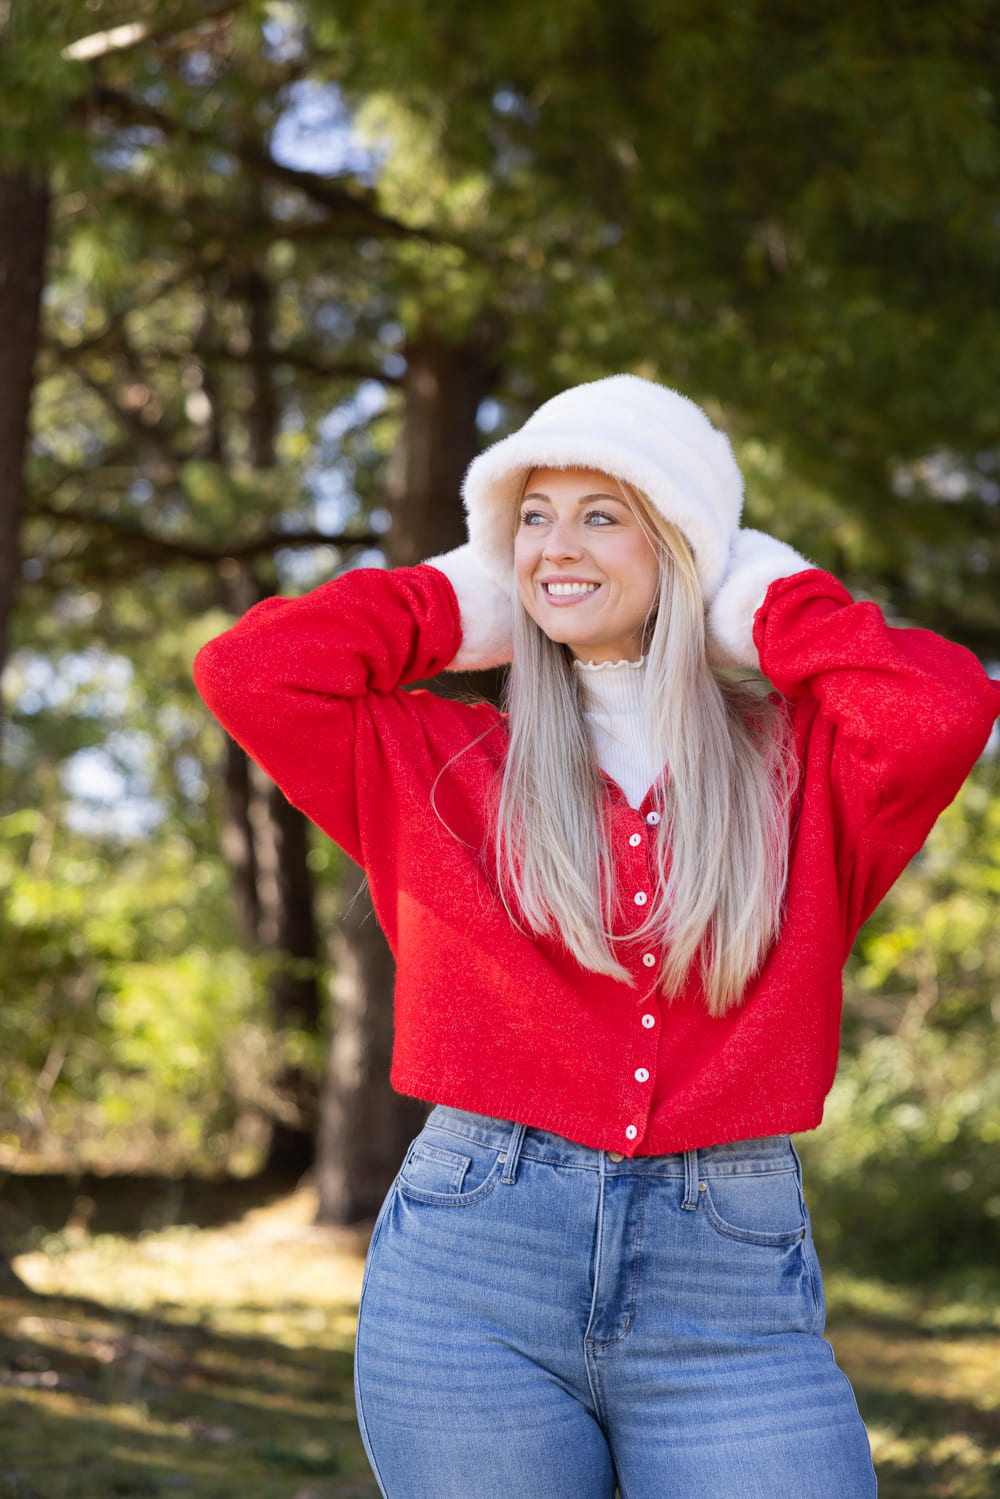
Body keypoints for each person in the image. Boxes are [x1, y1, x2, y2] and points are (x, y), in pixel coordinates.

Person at [193, 375, 1000, 1499]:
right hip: (472, 1271)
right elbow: (247, 669)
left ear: (684, 545)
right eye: (533, 516)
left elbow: (944, 705)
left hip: (728, 1282)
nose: (555, 544)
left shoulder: (800, 771)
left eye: (602, 513)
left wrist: (758, 591)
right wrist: (463, 594)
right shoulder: (442, 763)